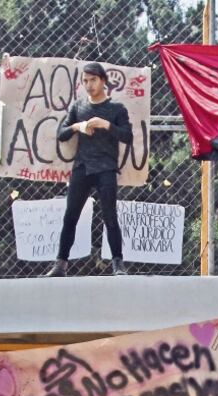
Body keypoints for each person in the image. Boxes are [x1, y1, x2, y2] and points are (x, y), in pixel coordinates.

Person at [46, 61, 133, 278]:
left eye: (93, 80)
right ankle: (60, 265)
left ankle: (118, 264)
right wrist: (78, 126)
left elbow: (128, 137)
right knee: (71, 216)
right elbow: (61, 133)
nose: (89, 85)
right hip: (82, 167)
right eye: (85, 81)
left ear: (103, 80)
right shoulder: (78, 107)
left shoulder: (116, 109)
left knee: (110, 216)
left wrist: (106, 125)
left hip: (106, 168)